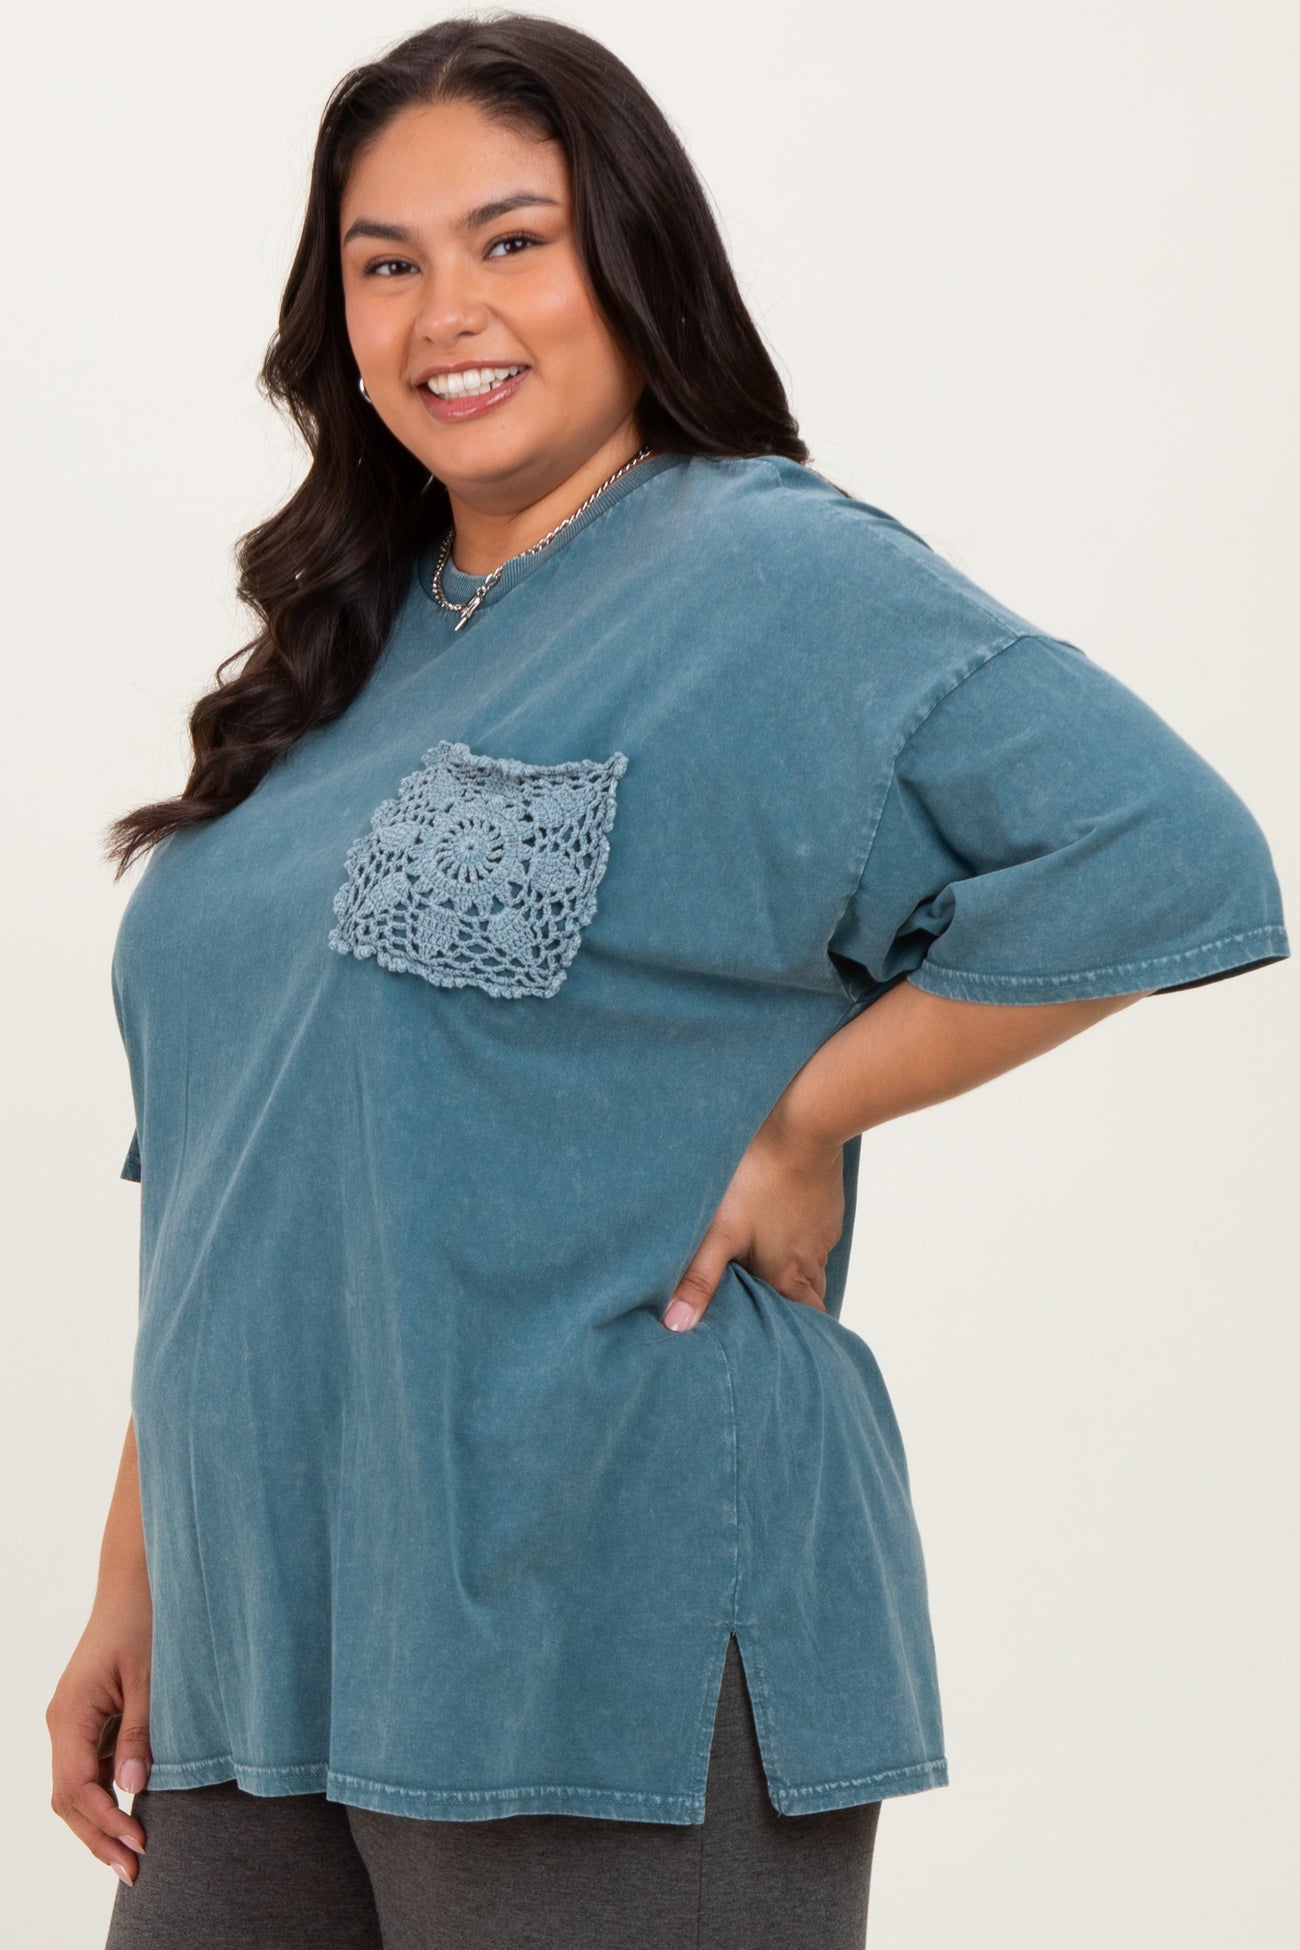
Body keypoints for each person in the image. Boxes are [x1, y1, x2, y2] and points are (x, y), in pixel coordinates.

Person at [45, 15, 1290, 1949]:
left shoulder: (772, 575)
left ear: (632, 259)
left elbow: (1165, 842)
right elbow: (238, 1176)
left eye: (512, 240)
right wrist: (135, 1574)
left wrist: (813, 1112)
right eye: (387, 263)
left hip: (603, 1610)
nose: (449, 310)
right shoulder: (337, 660)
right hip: (257, 1647)